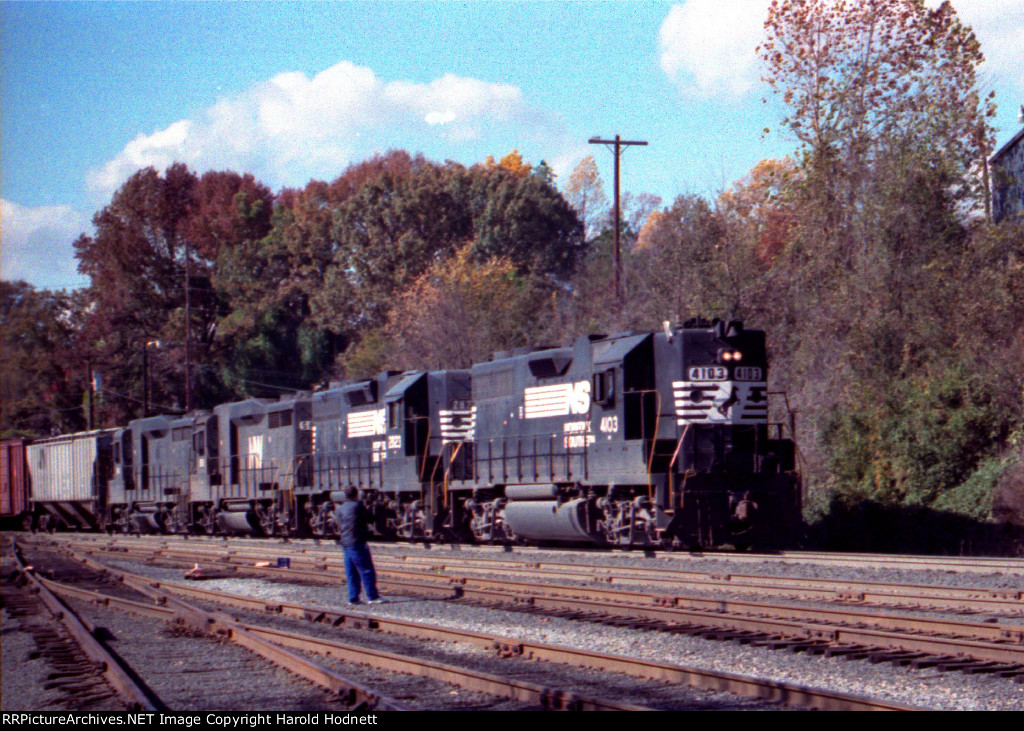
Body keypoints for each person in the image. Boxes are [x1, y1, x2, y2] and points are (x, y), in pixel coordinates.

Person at [334, 486, 386, 605]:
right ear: (356, 495)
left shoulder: (340, 508)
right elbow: (371, 518)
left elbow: (339, 522)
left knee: (351, 572)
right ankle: (373, 597)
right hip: (357, 543)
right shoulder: (358, 506)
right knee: (366, 570)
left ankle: (353, 598)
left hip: (345, 544)